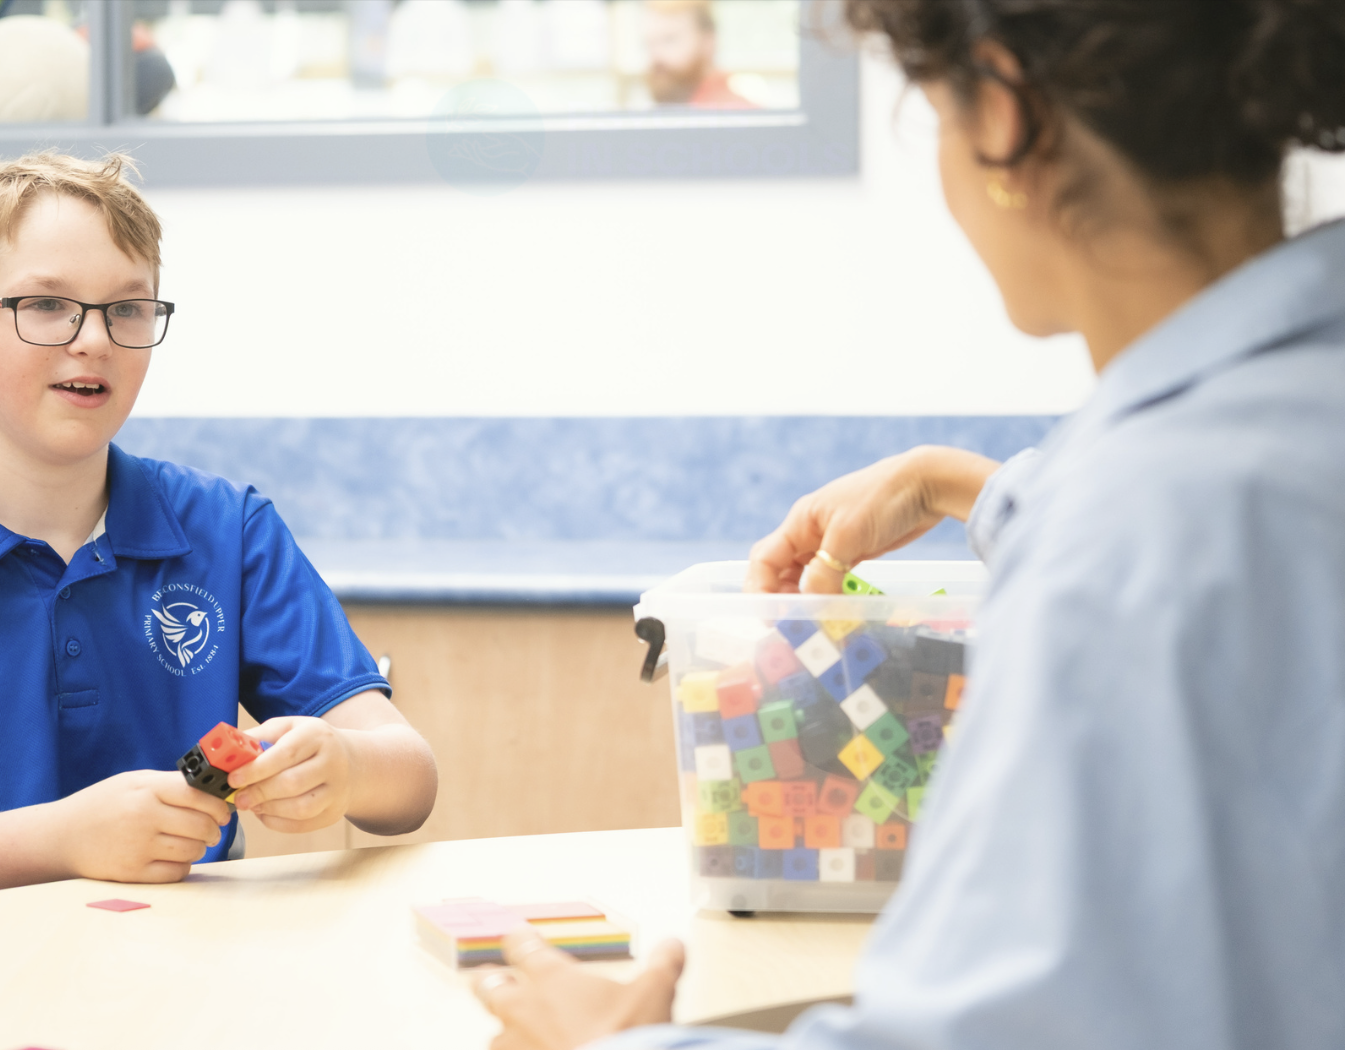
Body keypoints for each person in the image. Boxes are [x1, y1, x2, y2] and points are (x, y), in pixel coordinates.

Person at [473, 1, 1345, 1047]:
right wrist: (955, 485)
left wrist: (610, 1045)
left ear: (1001, 118)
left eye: (933, 113)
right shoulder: (1277, 422)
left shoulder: (1129, 550)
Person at [0, 153, 437, 912]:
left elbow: (410, 779)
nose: (94, 339)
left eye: (127, 309)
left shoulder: (225, 529)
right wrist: (62, 840)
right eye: (45, 304)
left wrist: (345, 768)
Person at [641, 0, 754, 110]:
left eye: (669, 40)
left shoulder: (735, 115)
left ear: (708, 40)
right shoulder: (669, 114)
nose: (656, 55)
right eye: (650, 43)